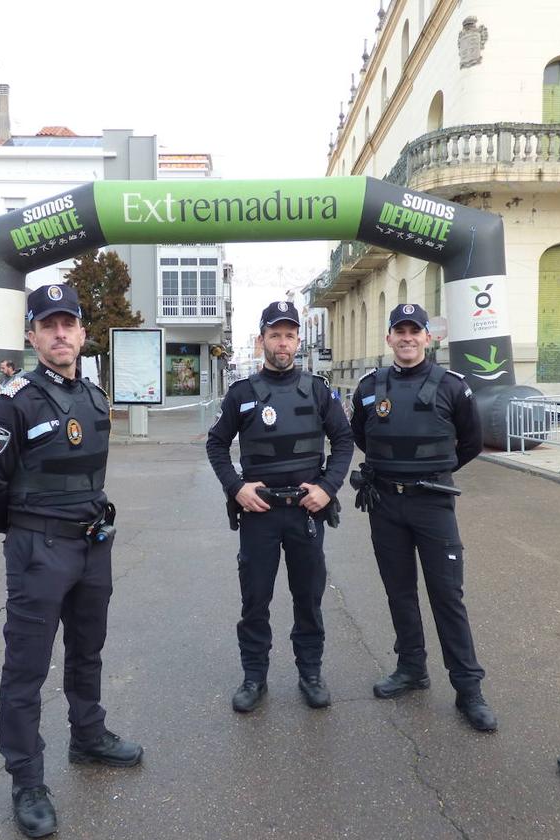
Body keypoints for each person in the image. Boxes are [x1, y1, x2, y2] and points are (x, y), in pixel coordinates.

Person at [0, 283, 141, 838]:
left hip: (92, 546)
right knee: (26, 668)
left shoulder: (92, 397)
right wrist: (25, 529)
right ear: (33, 334)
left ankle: (88, 737)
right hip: (39, 549)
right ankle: (27, 779)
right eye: (49, 325)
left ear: (83, 333)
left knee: (87, 651)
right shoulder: (11, 402)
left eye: (69, 324)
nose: (60, 334)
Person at [349, 303, 497, 732]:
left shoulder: (453, 386)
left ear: (428, 338)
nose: (408, 338)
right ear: (389, 338)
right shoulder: (368, 386)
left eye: (416, 331)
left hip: (433, 504)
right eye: (400, 331)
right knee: (399, 592)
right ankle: (411, 668)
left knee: (447, 597)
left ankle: (469, 689)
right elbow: (362, 434)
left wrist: (431, 471)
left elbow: (470, 442)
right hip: (385, 505)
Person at [206, 301, 354, 713]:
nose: (282, 342)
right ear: (262, 340)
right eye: (275, 334)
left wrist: (327, 487)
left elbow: (343, 442)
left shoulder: (318, 390)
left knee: (308, 598)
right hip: (260, 515)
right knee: (255, 600)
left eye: (289, 335)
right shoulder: (242, 394)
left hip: (307, 512)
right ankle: (255, 677)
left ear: (298, 341)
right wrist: (236, 488)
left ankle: (310, 672)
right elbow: (216, 444)